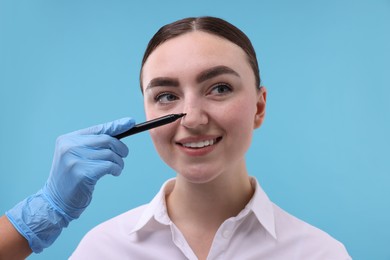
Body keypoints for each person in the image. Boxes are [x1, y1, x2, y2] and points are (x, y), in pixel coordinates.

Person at [1, 16, 351, 259]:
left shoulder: (321, 253)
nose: (194, 118)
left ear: (259, 107)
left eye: (220, 88)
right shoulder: (101, 250)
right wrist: (47, 210)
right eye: (166, 95)